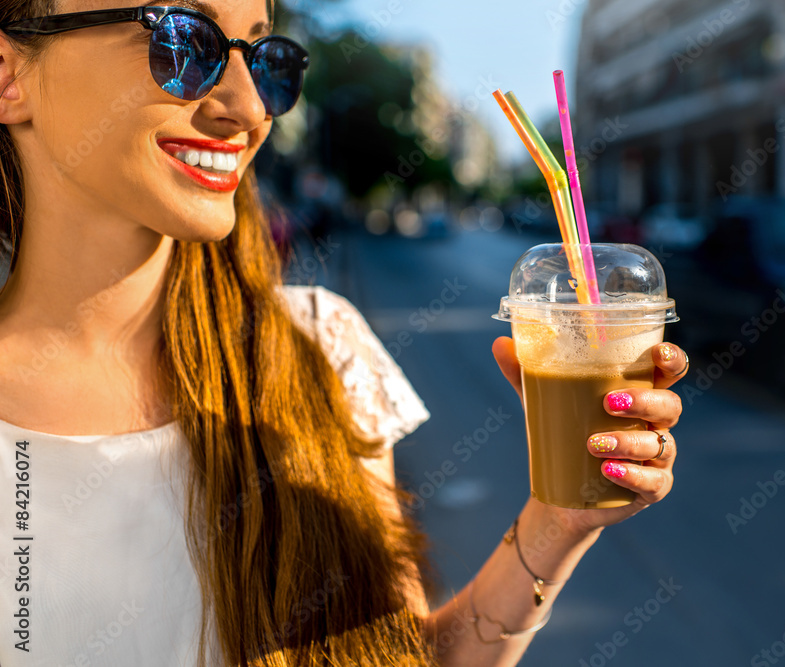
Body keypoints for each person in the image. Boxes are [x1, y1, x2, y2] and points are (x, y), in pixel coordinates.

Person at [0, 1, 688, 665]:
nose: (248, 107)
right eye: (184, 41)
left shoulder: (322, 348)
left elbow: (401, 656)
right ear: (9, 74)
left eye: (267, 60)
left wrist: (557, 519)